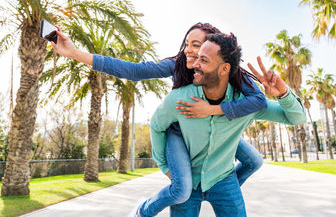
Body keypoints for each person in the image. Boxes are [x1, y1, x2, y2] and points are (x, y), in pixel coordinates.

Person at [52, 23, 267, 216]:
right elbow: (135, 71)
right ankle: (144, 210)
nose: (189, 50)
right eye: (187, 44)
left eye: (197, 45)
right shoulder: (178, 64)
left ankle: (212, 189)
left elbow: (259, 100)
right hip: (180, 131)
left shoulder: (230, 72)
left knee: (254, 161)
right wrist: (73, 53)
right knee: (182, 190)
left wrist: (214, 110)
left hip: (213, 130)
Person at [147, 32, 306, 216]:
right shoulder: (180, 99)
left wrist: (283, 93)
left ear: (224, 69)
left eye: (204, 60)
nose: (195, 64)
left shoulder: (246, 105)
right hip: (189, 184)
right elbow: (157, 126)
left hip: (224, 180)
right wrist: (165, 167)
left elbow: (297, 118)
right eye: (197, 58)